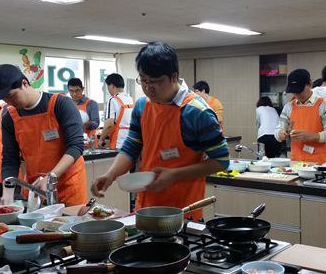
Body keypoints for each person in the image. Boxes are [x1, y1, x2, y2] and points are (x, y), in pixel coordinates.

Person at [91, 42, 229, 220]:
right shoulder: (142, 105)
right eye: (144, 80)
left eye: (155, 81)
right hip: (147, 209)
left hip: (184, 213)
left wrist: (174, 175)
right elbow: (131, 148)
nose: (148, 88)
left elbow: (221, 161)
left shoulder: (197, 112)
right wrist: (110, 175)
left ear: (173, 76)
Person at [0, 64, 87, 206]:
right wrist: (7, 193)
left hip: (68, 186)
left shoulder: (60, 104)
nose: (9, 102)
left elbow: (76, 146)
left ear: (24, 83)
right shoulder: (10, 117)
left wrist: (50, 177)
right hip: (35, 188)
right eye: (4, 99)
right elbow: (10, 158)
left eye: (11, 95)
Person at [274, 69, 326, 164]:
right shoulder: (288, 107)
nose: (297, 95)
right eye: (294, 92)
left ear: (310, 84)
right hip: (296, 163)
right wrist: (280, 134)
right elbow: (278, 129)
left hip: (321, 164)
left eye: (299, 91)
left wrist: (312, 136)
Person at [98, 73, 135, 149]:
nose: (108, 89)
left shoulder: (113, 100)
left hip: (119, 143)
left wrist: (101, 139)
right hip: (133, 142)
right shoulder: (132, 100)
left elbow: (109, 124)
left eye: (108, 86)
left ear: (112, 86)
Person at [67, 78, 100, 144]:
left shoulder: (92, 103)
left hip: (89, 142)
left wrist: (87, 124)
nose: (74, 94)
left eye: (77, 90)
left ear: (82, 89)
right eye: (71, 91)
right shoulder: (67, 104)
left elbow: (96, 123)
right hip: (73, 141)